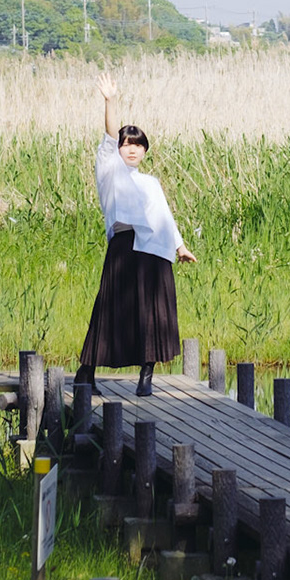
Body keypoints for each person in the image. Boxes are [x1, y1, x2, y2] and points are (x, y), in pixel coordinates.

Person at [77, 74, 195, 397]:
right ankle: (86, 373)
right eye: (127, 143)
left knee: (154, 313)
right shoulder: (109, 169)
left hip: (155, 251)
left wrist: (180, 247)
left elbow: (165, 217)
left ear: (145, 151)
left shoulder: (150, 182)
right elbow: (109, 134)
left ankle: (147, 376)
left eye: (138, 145)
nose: (132, 149)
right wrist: (110, 101)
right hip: (125, 247)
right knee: (110, 308)